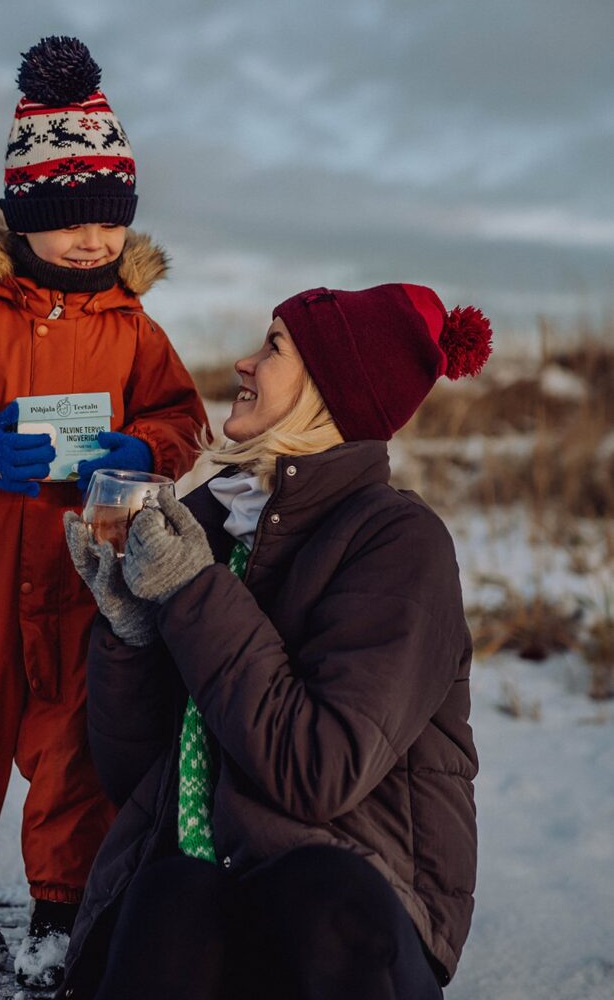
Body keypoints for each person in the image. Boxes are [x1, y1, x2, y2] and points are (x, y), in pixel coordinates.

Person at [0, 36, 208, 989]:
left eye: (108, 224)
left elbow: (180, 418)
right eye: (68, 224)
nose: (92, 242)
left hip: (84, 574)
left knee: (76, 742)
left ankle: (63, 910)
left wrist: (144, 450)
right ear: (23, 221)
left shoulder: (138, 331)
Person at [61, 283, 492, 999]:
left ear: (331, 387)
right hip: (206, 885)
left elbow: (318, 771)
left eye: (274, 347)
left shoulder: (397, 542)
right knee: (166, 896)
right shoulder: (206, 522)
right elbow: (134, 774)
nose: (244, 363)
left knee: (316, 890)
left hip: (349, 907)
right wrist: (131, 635)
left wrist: (193, 596)